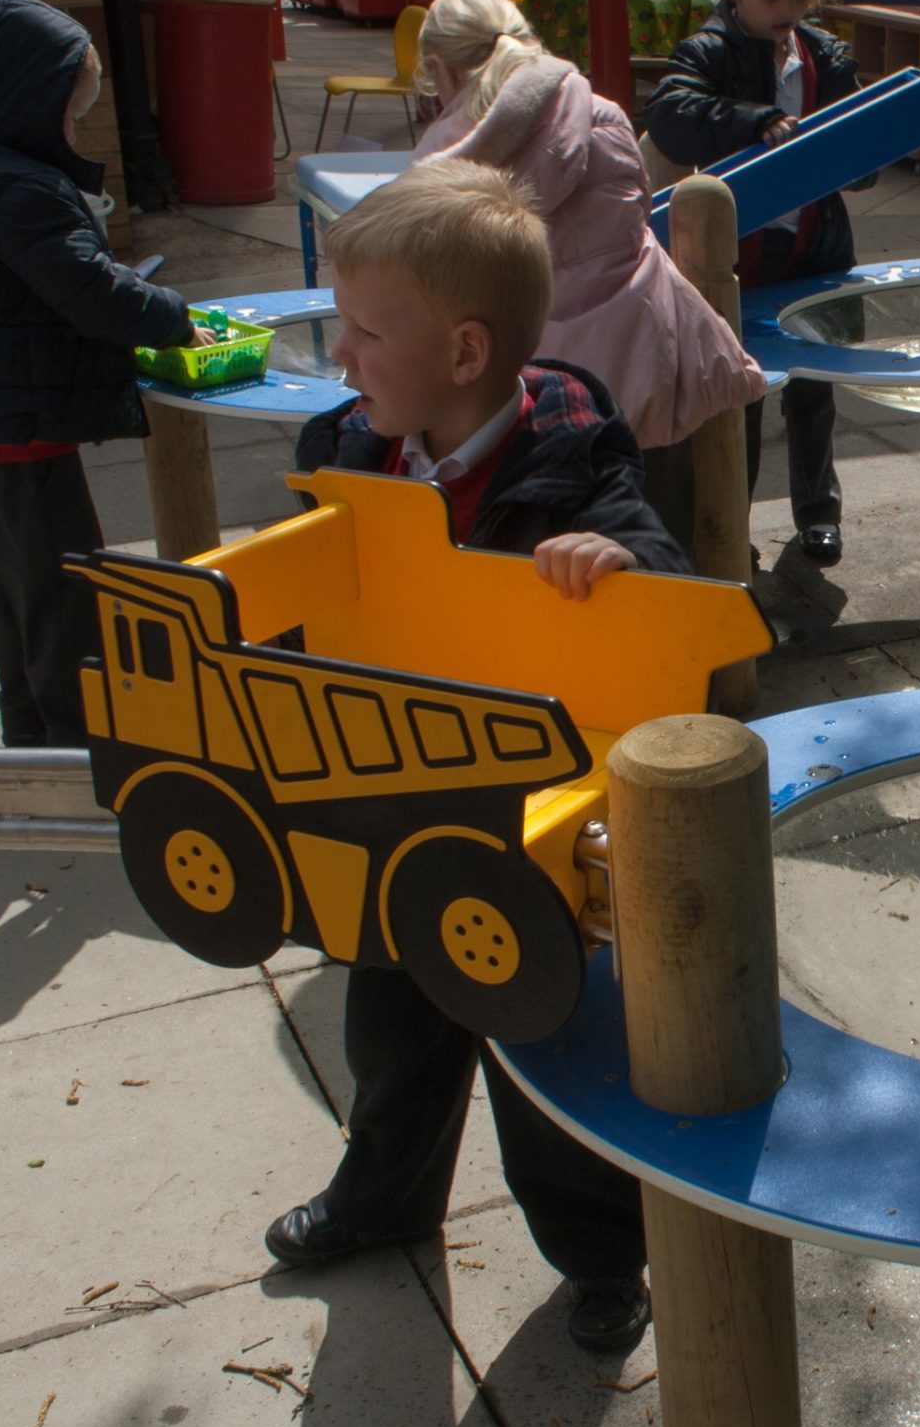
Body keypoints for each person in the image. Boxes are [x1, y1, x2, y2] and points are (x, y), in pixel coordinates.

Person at [260, 159, 688, 1354]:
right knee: (389, 1030)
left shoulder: (573, 460)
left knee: (542, 1042)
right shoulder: (349, 446)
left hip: (518, 818)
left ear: (461, 353)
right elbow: (301, 575)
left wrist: (612, 562)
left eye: (361, 333)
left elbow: (660, 568)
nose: (342, 357)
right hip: (387, 794)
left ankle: (602, 1253)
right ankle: (383, 1196)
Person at [0, 0, 194, 748]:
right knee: (63, 603)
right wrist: (172, 313)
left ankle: (28, 732)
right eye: (73, 110)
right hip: (19, 429)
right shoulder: (17, 188)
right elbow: (93, 296)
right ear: (30, 99)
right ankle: (75, 752)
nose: (76, 127)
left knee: (11, 595)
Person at [409, 0, 763, 552]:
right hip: (650, 362)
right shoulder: (602, 115)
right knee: (659, 545)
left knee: (561, 564)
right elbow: (633, 224)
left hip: (537, 402)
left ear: (444, 70)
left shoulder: (440, 169)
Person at [643, 0, 860, 565]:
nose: (786, 9)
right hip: (738, 256)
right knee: (741, 392)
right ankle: (728, 522)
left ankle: (817, 512)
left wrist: (863, 153)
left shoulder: (824, 53)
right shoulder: (709, 50)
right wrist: (753, 120)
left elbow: (853, 137)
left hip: (811, 247)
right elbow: (674, 115)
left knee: (815, 389)